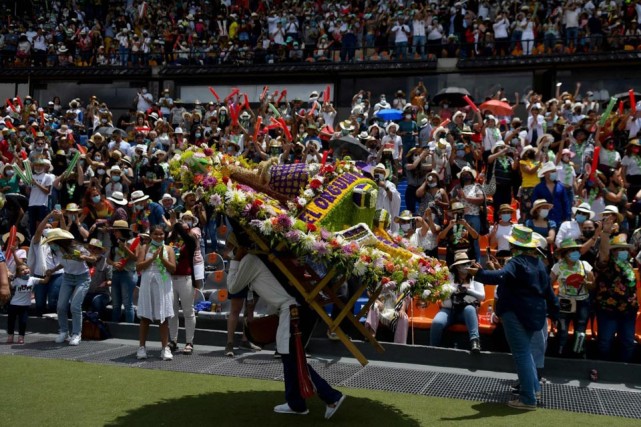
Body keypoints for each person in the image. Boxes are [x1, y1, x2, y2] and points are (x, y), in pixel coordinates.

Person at [226, 231, 346, 419]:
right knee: (289, 357)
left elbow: (233, 287)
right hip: (295, 311)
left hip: (293, 312)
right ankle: (296, 403)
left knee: (293, 358)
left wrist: (235, 261)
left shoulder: (251, 260)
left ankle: (331, 397)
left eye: (232, 248)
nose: (231, 252)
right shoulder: (263, 257)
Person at [469, 226, 559, 410]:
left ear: (514, 244)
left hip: (516, 314)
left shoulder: (516, 262)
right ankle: (534, 389)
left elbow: (499, 276)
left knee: (522, 353)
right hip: (536, 314)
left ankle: (527, 399)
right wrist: (556, 315)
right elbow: (550, 294)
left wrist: (478, 273)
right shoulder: (540, 265)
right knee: (526, 353)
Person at [594, 220, 639, 362]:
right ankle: (603, 369)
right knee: (605, 342)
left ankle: (623, 370)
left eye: (625, 249)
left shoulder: (629, 266)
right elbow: (603, 254)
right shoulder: (608, 264)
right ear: (613, 251)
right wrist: (605, 233)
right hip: (608, 310)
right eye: (620, 249)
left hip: (628, 311)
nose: (623, 252)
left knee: (627, 342)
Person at [45, 228, 97, 346]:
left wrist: (85, 258)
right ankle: (64, 331)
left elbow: (94, 258)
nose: (50, 244)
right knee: (61, 306)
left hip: (82, 278)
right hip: (67, 277)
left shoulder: (77, 248)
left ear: (59, 241)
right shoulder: (57, 251)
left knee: (75, 306)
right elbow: (63, 263)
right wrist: (53, 270)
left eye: (51, 242)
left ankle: (76, 334)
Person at [429, 251, 485, 353]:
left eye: (468, 263)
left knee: (470, 309)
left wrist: (467, 290)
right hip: (449, 309)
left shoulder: (476, 276)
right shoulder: (449, 276)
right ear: (457, 267)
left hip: (466, 311)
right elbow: (442, 295)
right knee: (437, 322)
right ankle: (433, 349)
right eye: (464, 264)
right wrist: (455, 290)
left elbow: (482, 296)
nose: (467, 266)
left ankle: (475, 342)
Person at [135, 225, 176, 361]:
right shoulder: (144, 247)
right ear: (151, 235)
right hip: (147, 282)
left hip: (163, 283)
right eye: (156, 234)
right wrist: (152, 258)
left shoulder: (169, 248)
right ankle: (141, 347)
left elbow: (173, 268)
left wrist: (162, 259)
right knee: (145, 317)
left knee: (163, 317)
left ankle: (165, 348)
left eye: (161, 234)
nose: (159, 236)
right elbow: (138, 267)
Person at [550, 239, 594, 357]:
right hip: (565, 302)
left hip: (582, 302)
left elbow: (593, 285)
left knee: (580, 330)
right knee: (562, 330)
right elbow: (548, 283)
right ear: (565, 253)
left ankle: (578, 354)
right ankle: (560, 354)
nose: (575, 253)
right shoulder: (557, 266)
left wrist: (585, 283)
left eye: (576, 250)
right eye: (572, 250)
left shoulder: (585, 265)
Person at [166, 219, 197, 355]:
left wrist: (177, 225)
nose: (182, 232)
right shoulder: (172, 242)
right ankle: (173, 340)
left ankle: (189, 342)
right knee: (172, 312)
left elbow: (186, 237)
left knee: (188, 311)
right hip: (171, 279)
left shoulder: (190, 242)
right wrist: (173, 228)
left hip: (186, 279)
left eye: (186, 229)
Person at [6, 263, 52, 344]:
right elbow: (11, 287)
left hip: (25, 305)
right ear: (19, 273)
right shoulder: (17, 280)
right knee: (11, 321)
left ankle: (21, 337)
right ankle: (10, 336)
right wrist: (9, 279)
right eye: (22, 270)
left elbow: (45, 281)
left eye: (26, 268)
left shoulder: (32, 279)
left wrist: (48, 275)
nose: (25, 271)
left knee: (23, 322)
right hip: (14, 304)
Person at [364, 279, 410, 344]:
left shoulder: (401, 278)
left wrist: (402, 309)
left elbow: (405, 297)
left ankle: (400, 344)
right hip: (380, 305)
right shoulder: (379, 275)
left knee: (403, 317)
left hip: (393, 308)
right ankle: (370, 332)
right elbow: (370, 291)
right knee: (374, 306)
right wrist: (377, 301)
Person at [82, 239, 112, 320]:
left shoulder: (106, 263)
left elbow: (111, 280)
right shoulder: (85, 261)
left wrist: (105, 283)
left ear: (100, 250)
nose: (92, 250)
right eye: (90, 248)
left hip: (102, 293)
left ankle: (100, 324)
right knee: (77, 301)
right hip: (87, 292)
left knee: (97, 302)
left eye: (94, 248)